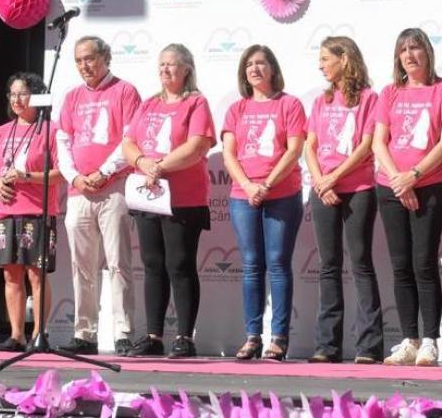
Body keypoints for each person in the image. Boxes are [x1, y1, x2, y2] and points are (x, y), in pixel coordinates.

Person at [373, 28, 442, 367]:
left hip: (429, 186)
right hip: (390, 187)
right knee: (400, 265)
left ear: (427, 52)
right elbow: (379, 142)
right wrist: (399, 180)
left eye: (415, 48)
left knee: (423, 263)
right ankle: (409, 339)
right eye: (403, 50)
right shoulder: (389, 93)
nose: (409, 55)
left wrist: (413, 176)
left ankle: (429, 341)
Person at [122, 44, 215, 358]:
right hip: (148, 195)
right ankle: (153, 336)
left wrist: (159, 167)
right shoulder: (149, 103)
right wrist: (143, 163)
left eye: (171, 64)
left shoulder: (196, 102)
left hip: (183, 198)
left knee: (180, 264)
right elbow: (129, 142)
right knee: (152, 264)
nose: (165, 69)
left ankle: (185, 337)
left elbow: (197, 146)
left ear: (186, 68)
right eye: (161, 64)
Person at [56, 36, 141, 357]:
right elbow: (62, 143)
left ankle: (123, 333)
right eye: (79, 60)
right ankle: (85, 333)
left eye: (90, 58)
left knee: (118, 262)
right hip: (78, 191)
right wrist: (76, 177)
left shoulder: (125, 91)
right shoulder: (72, 97)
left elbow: (130, 140)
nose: (84, 66)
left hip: (113, 187)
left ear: (106, 57)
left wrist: (104, 171)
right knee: (81, 266)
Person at [222, 45, 306, 361]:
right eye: (249, 64)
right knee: (251, 265)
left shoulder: (289, 104)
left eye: (261, 63)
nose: (255, 69)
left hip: (281, 195)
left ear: (272, 68)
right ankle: (253, 336)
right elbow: (229, 154)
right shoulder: (236, 109)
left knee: (278, 263)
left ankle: (279, 338)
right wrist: (248, 185)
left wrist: (267, 184)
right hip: (243, 196)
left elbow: (294, 150)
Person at [305, 35, 383, 364]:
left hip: (358, 188)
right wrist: (321, 181)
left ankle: (369, 346)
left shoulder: (369, 98)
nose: (321, 65)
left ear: (344, 59)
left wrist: (334, 177)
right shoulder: (321, 100)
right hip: (323, 189)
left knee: (361, 262)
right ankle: (327, 345)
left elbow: (366, 145)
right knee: (329, 265)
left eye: (326, 58)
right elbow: (309, 146)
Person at [0, 72, 63, 352]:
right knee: (10, 275)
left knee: (36, 274)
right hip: (5, 212)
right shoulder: (1, 132)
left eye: (23, 94)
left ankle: (40, 334)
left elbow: (60, 174)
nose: (16, 100)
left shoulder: (51, 131)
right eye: (12, 94)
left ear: (37, 97)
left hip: (37, 211)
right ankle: (17, 335)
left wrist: (26, 176)